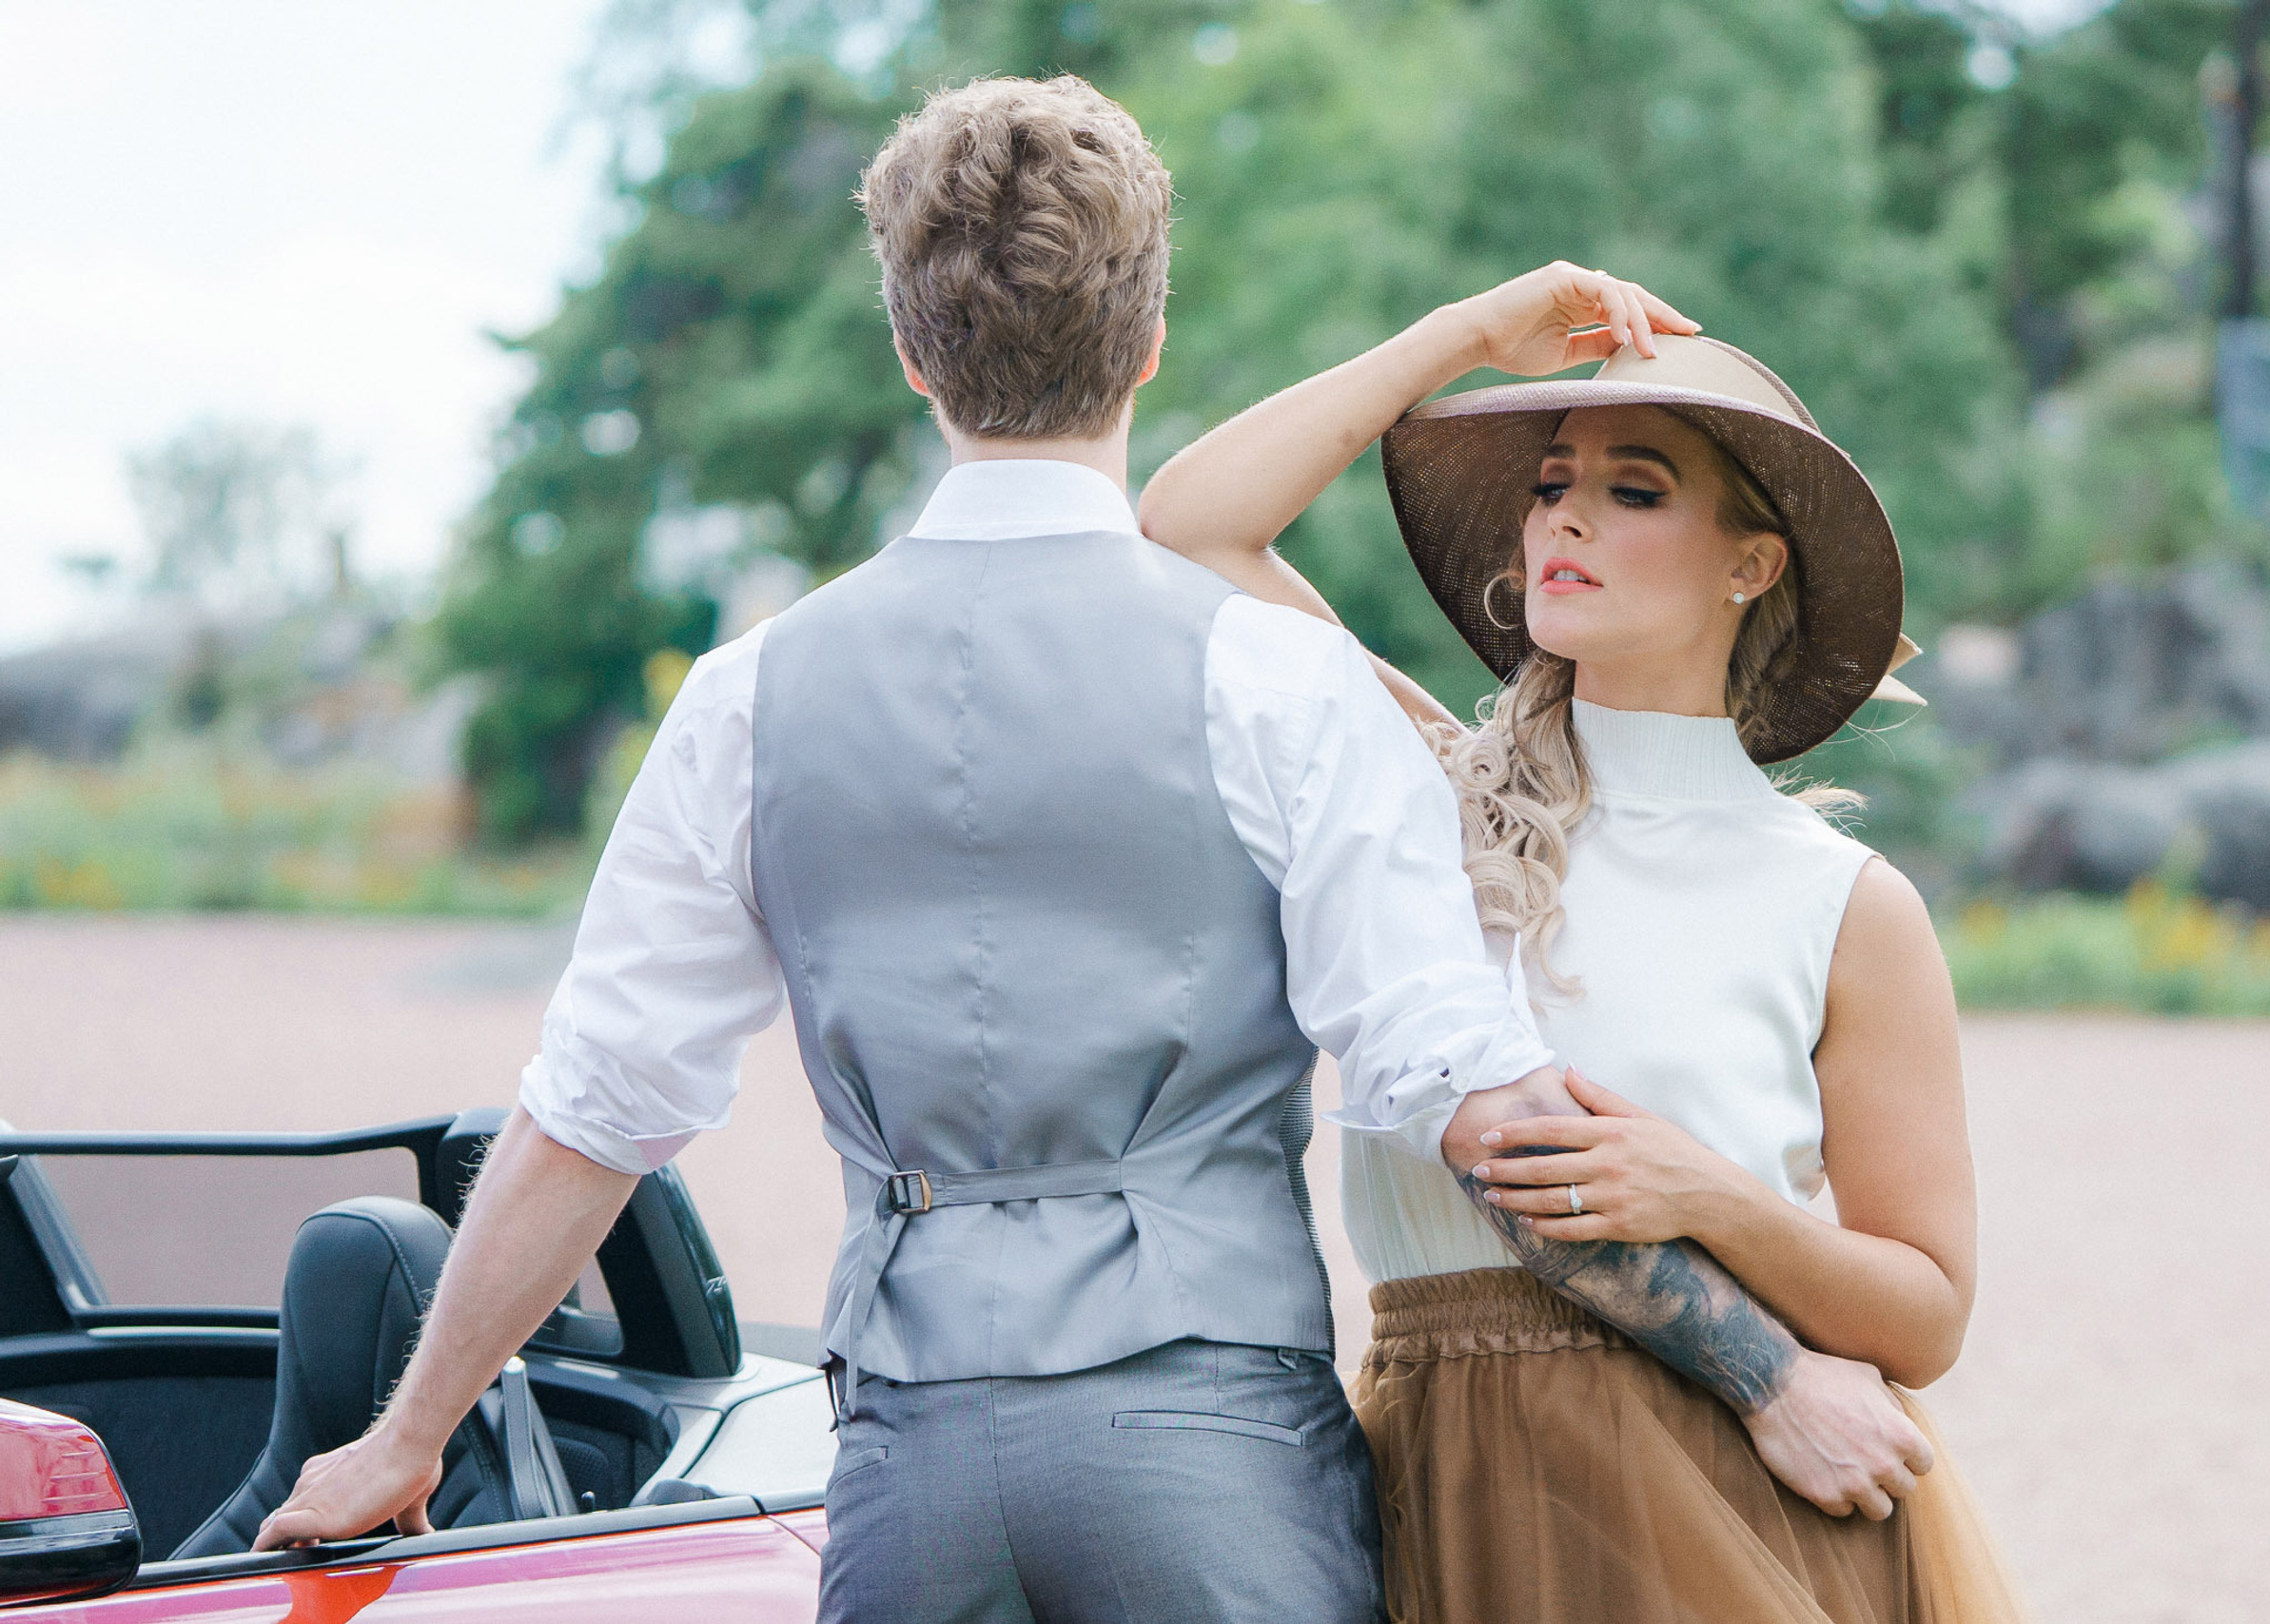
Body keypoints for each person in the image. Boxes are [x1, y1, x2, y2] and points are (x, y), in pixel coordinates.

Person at [248, 80, 1928, 1622]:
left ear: (911, 354)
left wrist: (409, 1439)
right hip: (1217, 1458)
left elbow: (597, 1107)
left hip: (908, 1462)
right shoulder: (1267, 676)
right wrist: (1768, 1371)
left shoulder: (750, 696)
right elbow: (1469, 1097)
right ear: (1147, 346)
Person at [1140, 269, 2031, 1621]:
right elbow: (1190, 530)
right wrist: (1463, 337)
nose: (1565, 512)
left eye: (1635, 488)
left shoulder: (1843, 901)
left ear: (1752, 564)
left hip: (1729, 1503)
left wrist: (1707, 1195)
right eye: (1551, 482)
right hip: (1436, 1481)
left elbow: (1927, 1311)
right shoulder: (1423, 795)